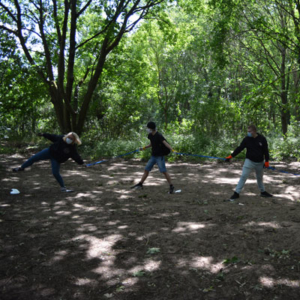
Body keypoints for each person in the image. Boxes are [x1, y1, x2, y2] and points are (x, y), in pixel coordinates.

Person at [12, 132, 84, 192]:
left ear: (74, 140)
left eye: (71, 139)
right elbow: (52, 136)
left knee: (55, 173)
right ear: (66, 136)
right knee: (33, 158)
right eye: (69, 137)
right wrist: (43, 134)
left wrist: (82, 163)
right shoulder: (61, 138)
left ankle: (63, 188)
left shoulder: (72, 148)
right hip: (49, 152)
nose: (69, 139)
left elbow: (76, 156)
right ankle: (21, 167)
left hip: (56, 159)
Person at [225, 125, 273, 200]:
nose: (248, 133)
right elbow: (240, 148)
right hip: (249, 161)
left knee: (259, 178)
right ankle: (236, 193)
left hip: (260, 162)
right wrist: (231, 156)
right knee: (243, 176)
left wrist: (267, 161)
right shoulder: (246, 139)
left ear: (254, 131)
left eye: (250, 131)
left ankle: (263, 192)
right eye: (248, 131)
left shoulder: (262, 139)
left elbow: (265, 150)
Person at [131, 121, 175, 194]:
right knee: (146, 169)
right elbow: (152, 144)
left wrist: (172, 149)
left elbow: (165, 143)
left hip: (159, 156)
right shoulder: (150, 135)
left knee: (164, 171)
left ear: (151, 128)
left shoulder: (159, 135)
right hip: (153, 156)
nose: (147, 129)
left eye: (148, 128)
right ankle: (140, 184)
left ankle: (171, 186)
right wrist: (144, 148)